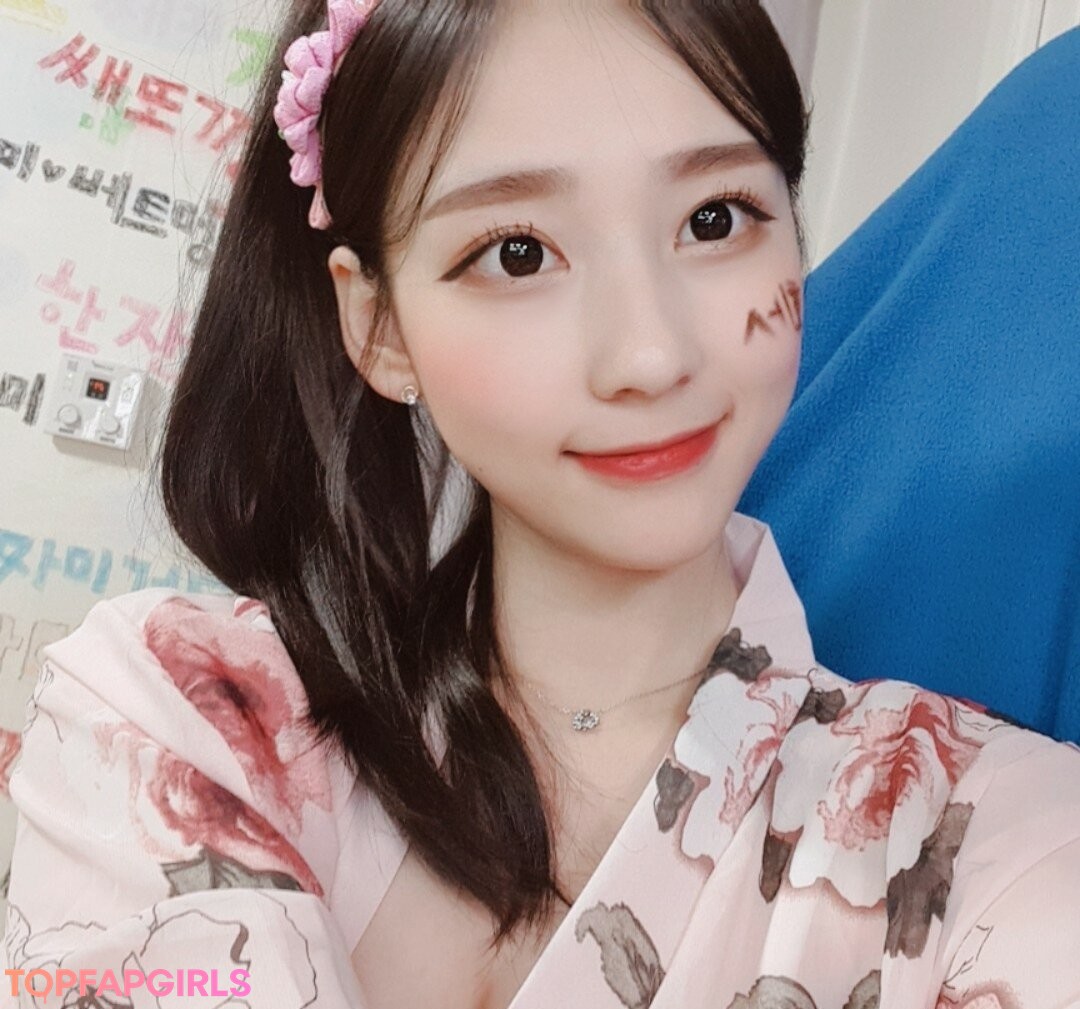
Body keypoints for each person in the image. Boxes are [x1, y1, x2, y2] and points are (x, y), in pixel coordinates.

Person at [4, 2, 1079, 1007]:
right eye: (517, 253)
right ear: (378, 327)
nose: (650, 356)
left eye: (715, 218)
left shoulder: (993, 830)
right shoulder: (176, 714)